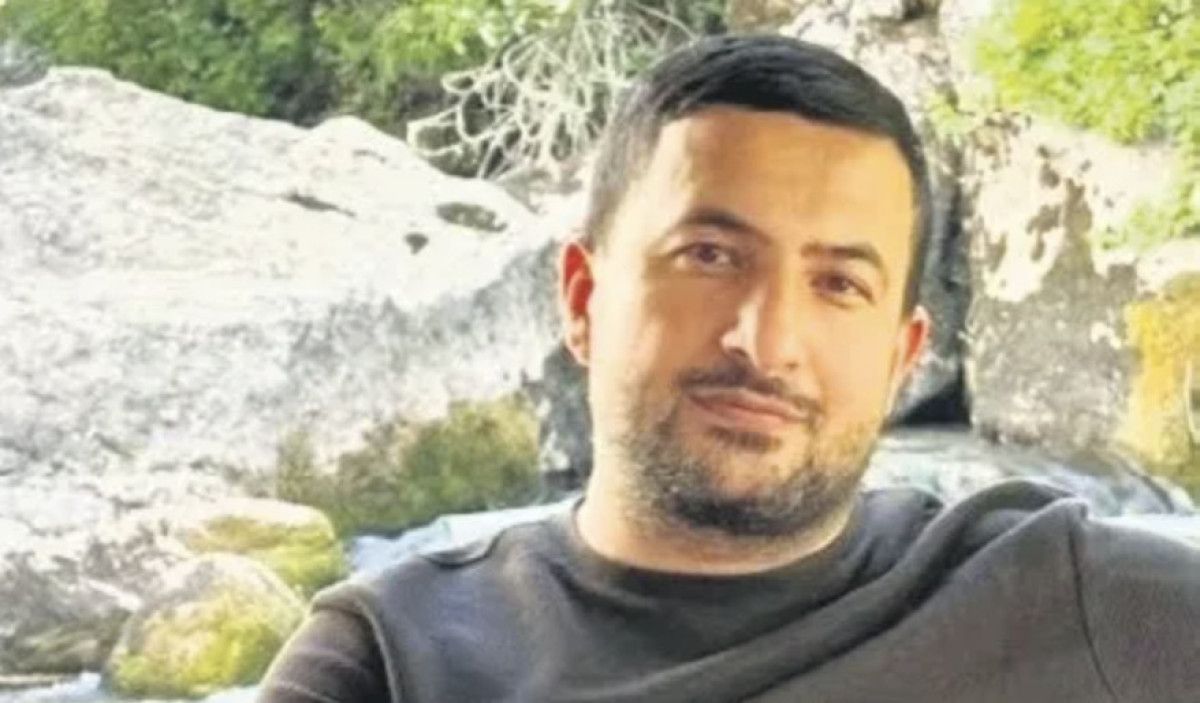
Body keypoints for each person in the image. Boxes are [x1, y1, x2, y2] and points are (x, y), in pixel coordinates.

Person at [259, 35, 1200, 703]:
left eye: (838, 283)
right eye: (710, 256)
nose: (766, 337)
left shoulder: (1073, 593)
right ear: (583, 298)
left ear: (902, 359)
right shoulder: (394, 658)